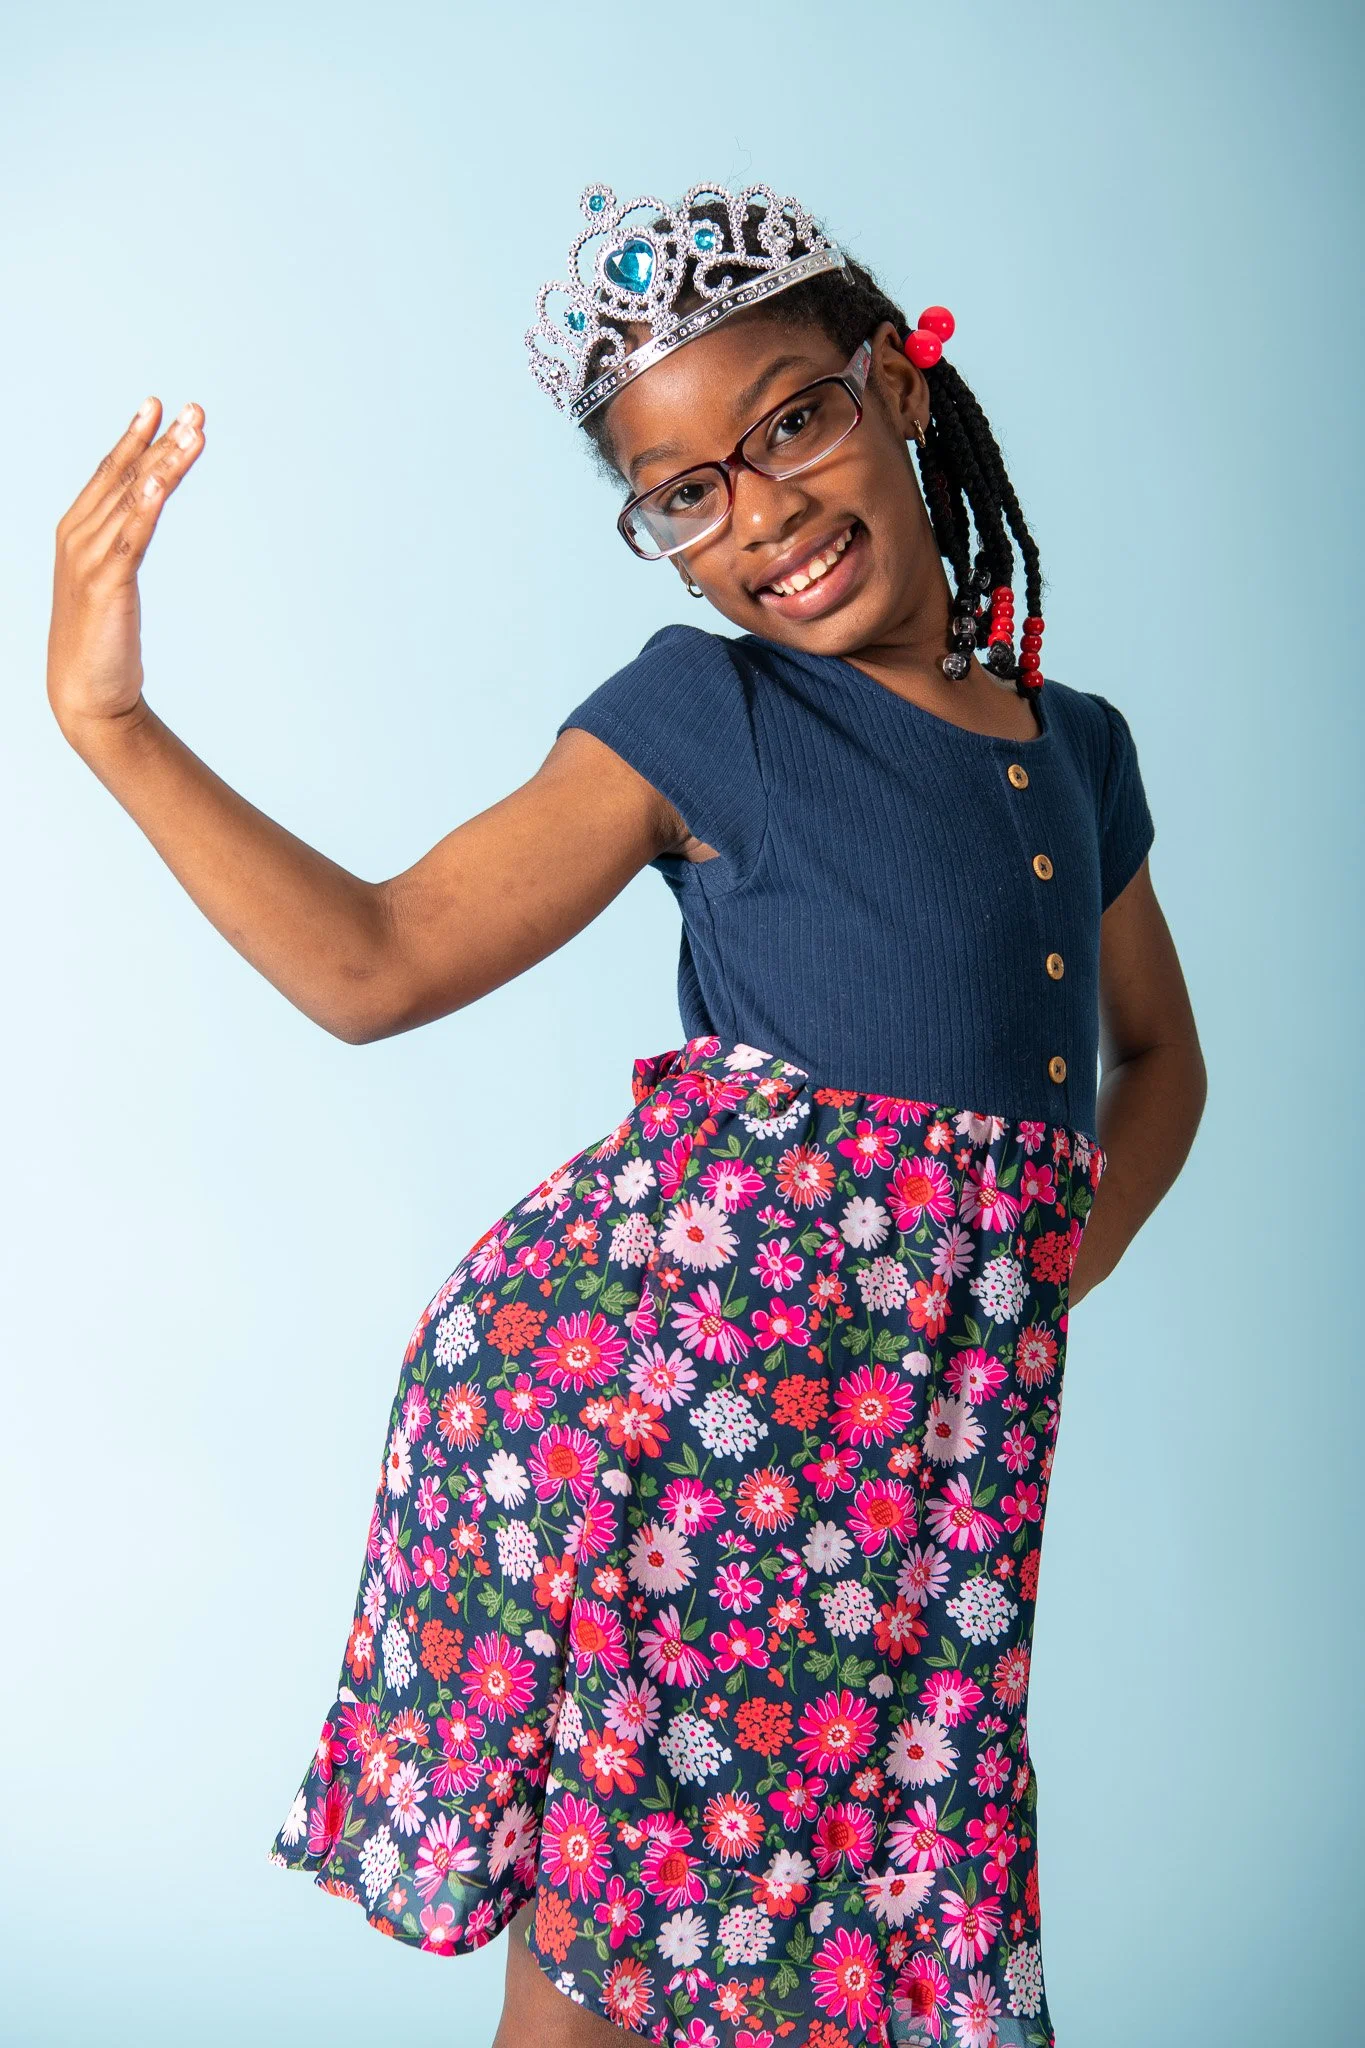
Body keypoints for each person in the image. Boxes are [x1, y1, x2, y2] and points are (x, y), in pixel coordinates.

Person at [46, 182, 1206, 2048]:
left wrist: (1043, 1264)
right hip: (674, 1432)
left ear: (900, 387)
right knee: (629, 1948)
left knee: (888, 1927)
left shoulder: (1079, 752)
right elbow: (377, 958)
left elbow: (1163, 1059)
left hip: (929, 1464)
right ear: (660, 538)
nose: (763, 515)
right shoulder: (707, 718)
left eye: (791, 423)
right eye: (689, 493)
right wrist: (115, 726)